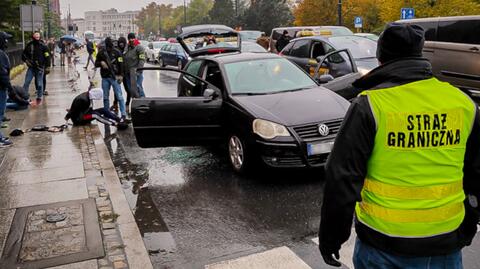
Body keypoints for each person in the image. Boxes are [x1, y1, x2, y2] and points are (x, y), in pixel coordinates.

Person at [318, 23, 480, 269]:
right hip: (446, 242)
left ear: (380, 57)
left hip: (384, 245)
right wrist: (471, 219)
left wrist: (331, 238)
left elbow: (341, 178)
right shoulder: (462, 103)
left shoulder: (370, 105)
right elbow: (476, 172)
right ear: (420, 53)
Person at [94, 37, 127, 121]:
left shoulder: (117, 52)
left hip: (115, 77)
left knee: (119, 96)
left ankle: (123, 114)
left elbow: (121, 64)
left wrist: (121, 76)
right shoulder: (101, 53)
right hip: (105, 77)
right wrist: (101, 63)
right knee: (105, 97)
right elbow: (96, 63)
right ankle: (107, 113)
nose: (109, 47)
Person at [22, 31, 50, 105]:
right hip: (31, 68)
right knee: (26, 82)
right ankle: (24, 97)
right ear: (33, 37)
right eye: (35, 37)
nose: (37, 38)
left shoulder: (43, 46)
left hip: (40, 68)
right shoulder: (29, 45)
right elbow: (23, 55)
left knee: (40, 84)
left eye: (38, 37)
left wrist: (48, 66)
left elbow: (47, 56)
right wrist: (26, 61)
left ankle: (39, 97)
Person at [0, 31, 13, 146]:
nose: (7, 41)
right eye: (5, 39)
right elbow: (3, 73)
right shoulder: (1, 54)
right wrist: (10, 87)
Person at [124, 33, 146, 101]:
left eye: (132, 38)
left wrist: (138, 71)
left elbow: (142, 60)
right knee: (130, 89)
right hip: (127, 72)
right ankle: (136, 101)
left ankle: (143, 101)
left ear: (135, 38)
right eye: (129, 39)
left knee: (138, 87)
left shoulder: (139, 47)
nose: (131, 40)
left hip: (136, 72)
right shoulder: (126, 47)